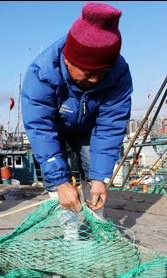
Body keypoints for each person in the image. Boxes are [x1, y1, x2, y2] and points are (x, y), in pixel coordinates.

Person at [22, 2, 132, 216]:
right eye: (88, 73)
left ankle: (97, 221)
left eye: (102, 73)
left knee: (96, 173)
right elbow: (40, 129)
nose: (95, 80)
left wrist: (100, 178)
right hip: (53, 126)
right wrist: (61, 182)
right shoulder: (41, 73)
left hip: (88, 127)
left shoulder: (119, 74)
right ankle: (70, 232)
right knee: (57, 183)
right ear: (67, 58)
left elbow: (110, 126)